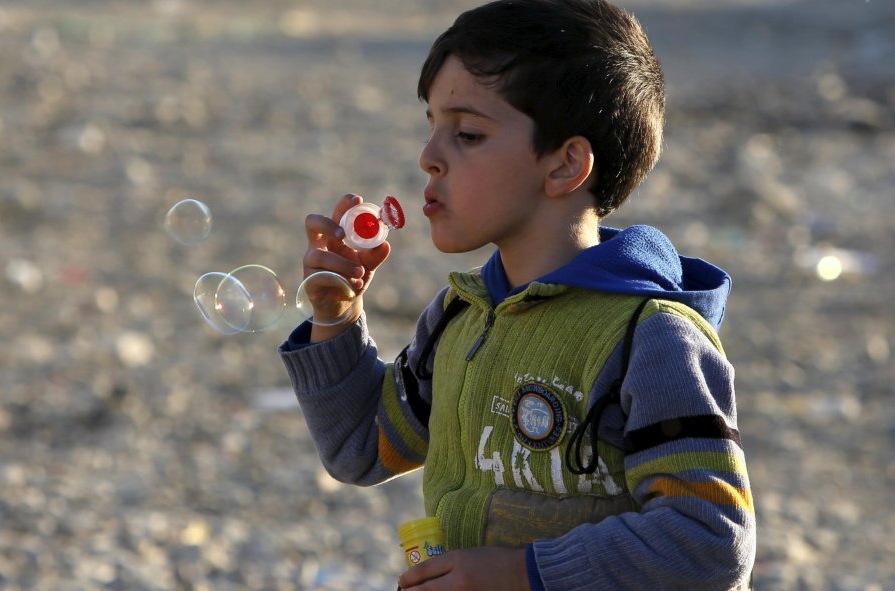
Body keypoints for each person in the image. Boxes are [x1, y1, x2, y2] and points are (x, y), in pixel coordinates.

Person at [278, 0, 756, 589]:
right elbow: (360, 447)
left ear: (564, 166)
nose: (429, 158)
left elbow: (708, 539)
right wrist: (337, 318)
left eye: (468, 134)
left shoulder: (651, 337)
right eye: (431, 126)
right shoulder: (462, 317)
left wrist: (526, 573)